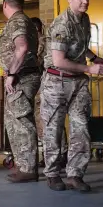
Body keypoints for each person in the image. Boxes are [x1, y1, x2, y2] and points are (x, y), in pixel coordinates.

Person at [40, 0, 103, 192]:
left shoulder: (84, 19)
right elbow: (59, 60)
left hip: (77, 84)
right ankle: (52, 174)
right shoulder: (62, 24)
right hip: (56, 82)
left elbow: (81, 46)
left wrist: (94, 57)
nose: (85, 1)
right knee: (54, 130)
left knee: (81, 128)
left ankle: (75, 174)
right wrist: (89, 69)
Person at [0, 0, 41, 182]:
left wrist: (13, 74)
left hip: (22, 78)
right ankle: (23, 166)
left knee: (22, 122)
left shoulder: (17, 21)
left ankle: (28, 169)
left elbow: (22, 47)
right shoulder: (26, 21)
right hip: (23, 77)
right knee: (15, 122)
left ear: (5, 4)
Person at [31, 17, 68, 168]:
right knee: (55, 119)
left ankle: (54, 156)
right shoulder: (48, 40)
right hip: (52, 83)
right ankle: (61, 153)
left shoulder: (39, 42)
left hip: (43, 84)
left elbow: (36, 62)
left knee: (45, 120)